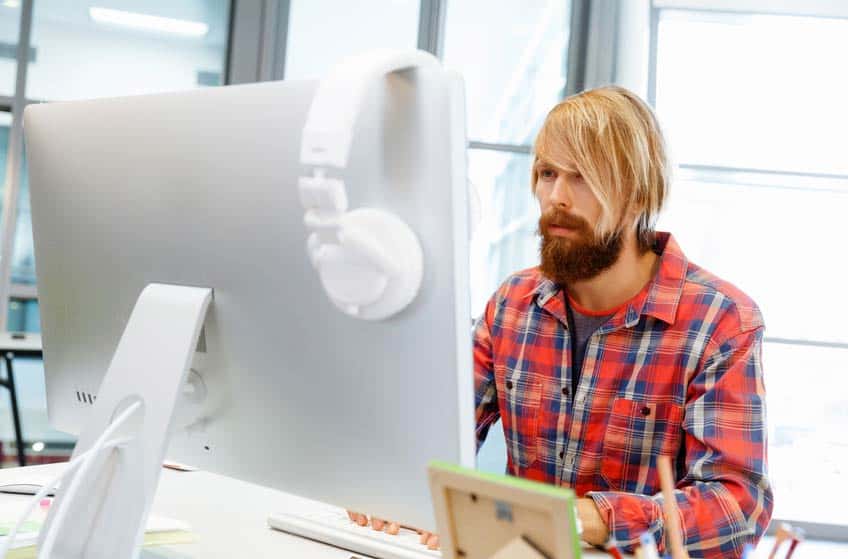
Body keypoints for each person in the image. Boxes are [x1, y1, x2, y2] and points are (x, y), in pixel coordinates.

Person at [355, 85, 773, 558]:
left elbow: (738, 507)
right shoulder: (512, 304)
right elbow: (436, 432)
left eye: (583, 178)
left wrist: (588, 518)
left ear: (639, 193)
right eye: (548, 173)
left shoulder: (721, 322)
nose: (556, 197)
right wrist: (392, 487)